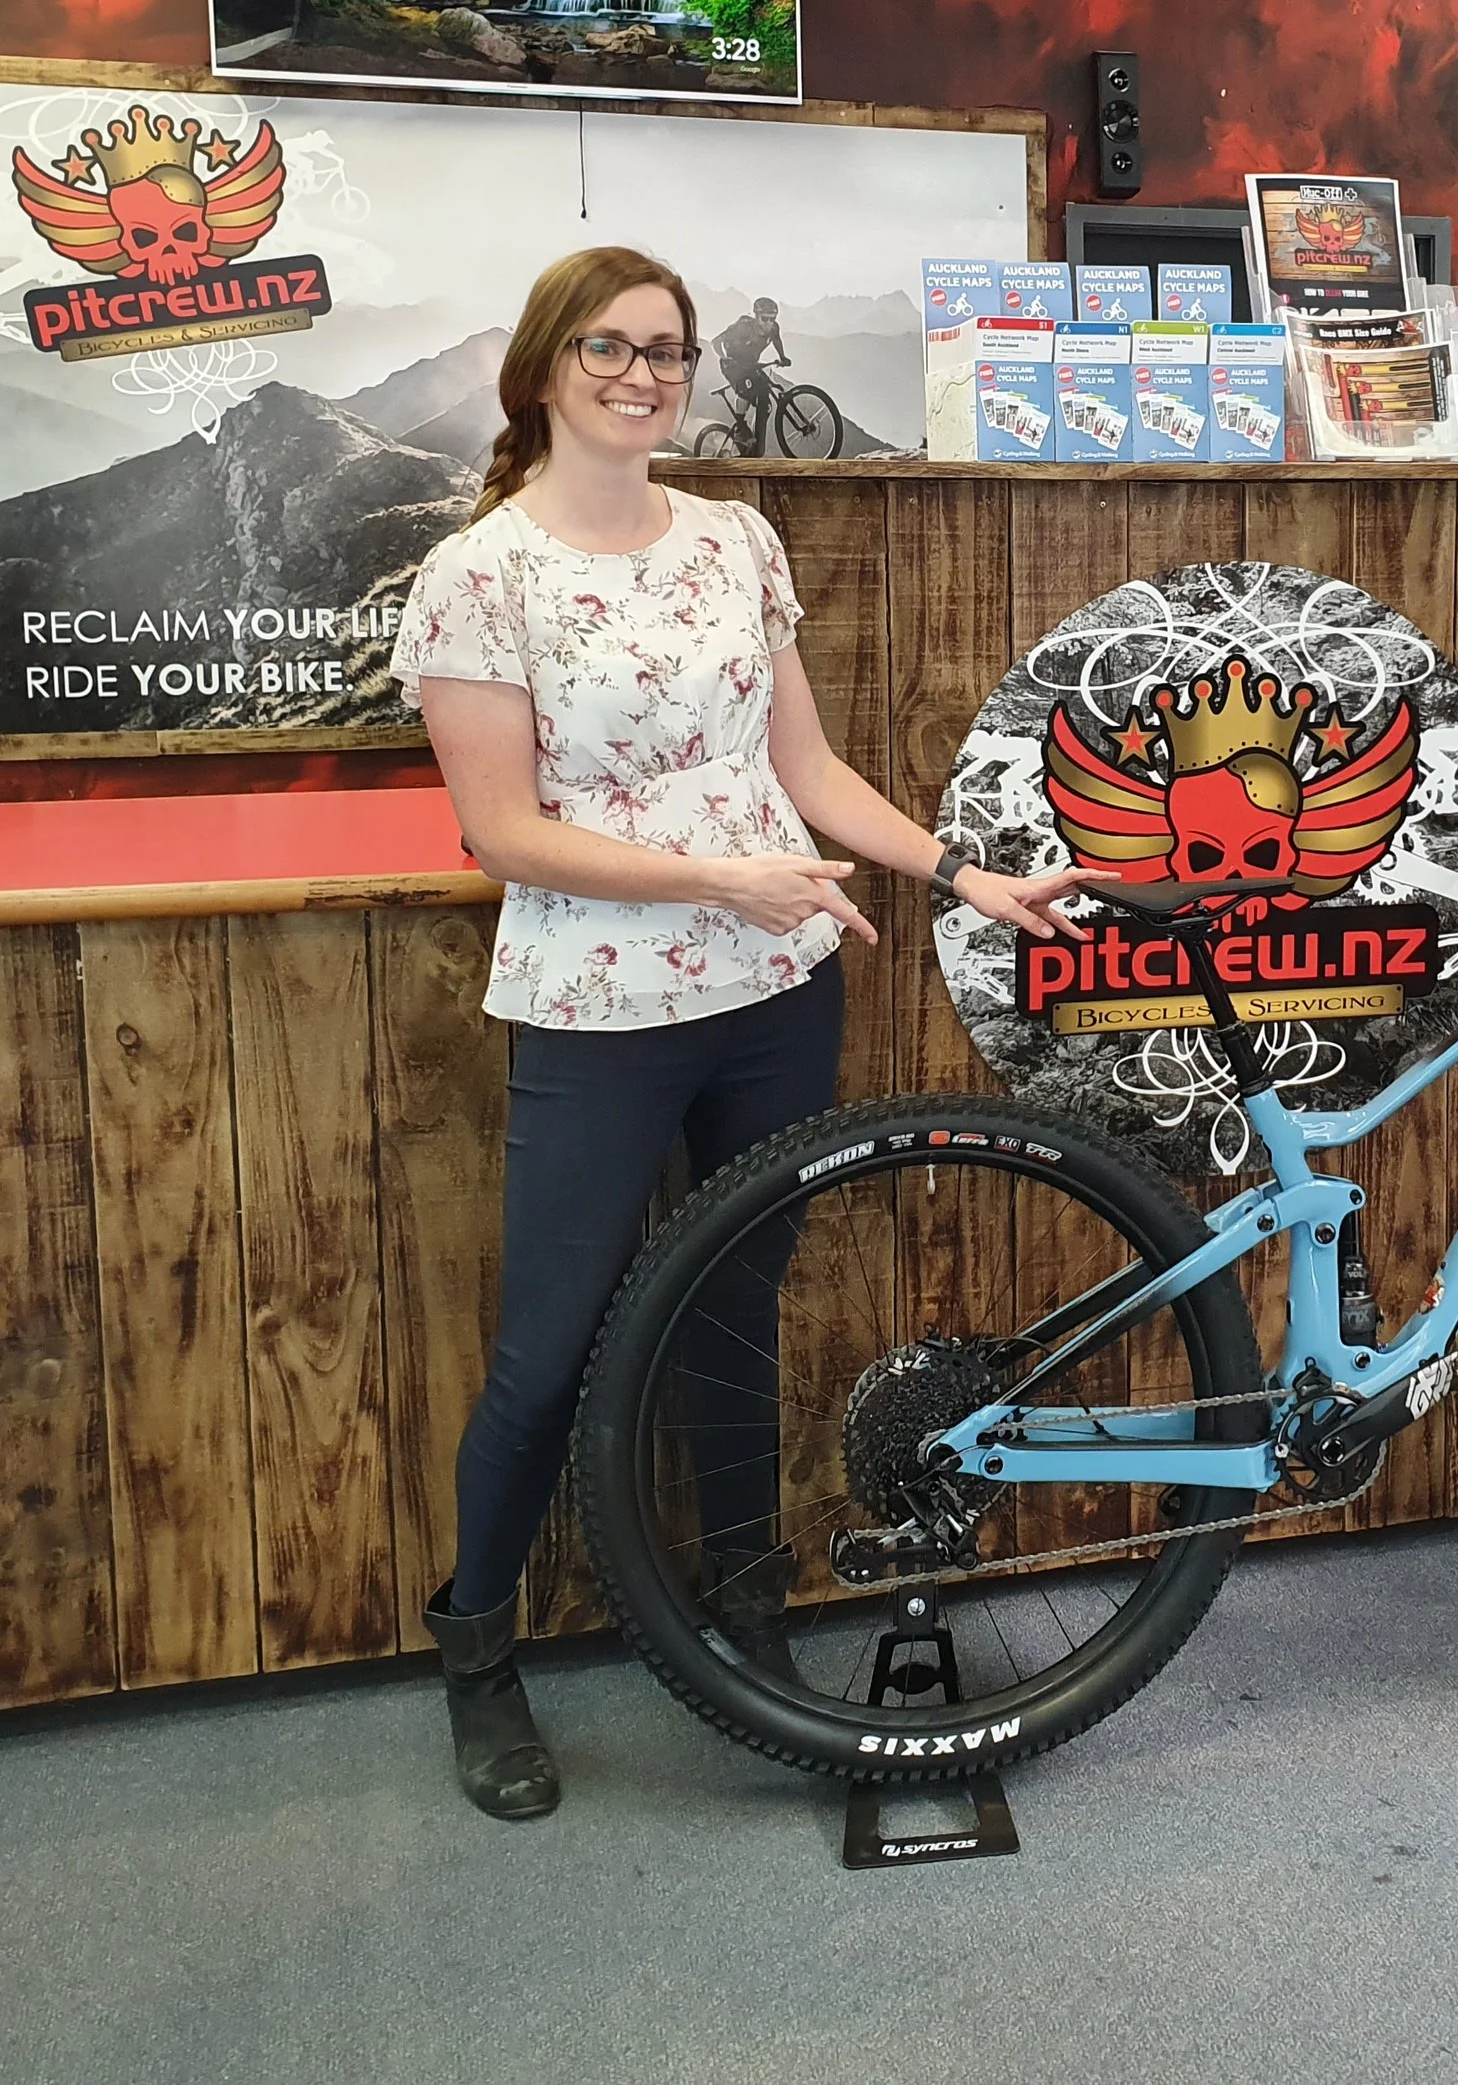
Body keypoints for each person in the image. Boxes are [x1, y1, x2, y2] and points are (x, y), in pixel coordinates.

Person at [391, 245, 1086, 1821]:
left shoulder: (736, 540)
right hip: (596, 1010)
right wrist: (720, 871)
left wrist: (967, 873)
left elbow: (813, 772)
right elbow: (502, 833)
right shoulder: (481, 574)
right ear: (546, 367)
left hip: (775, 999)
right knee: (547, 1354)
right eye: (610, 348)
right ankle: (477, 1652)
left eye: (667, 350)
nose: (643, 375)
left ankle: (744, 1616)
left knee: (734, 1322)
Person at [713, 294, 788, 434]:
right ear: (756, 316)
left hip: (750, 365)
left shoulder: (773, 328)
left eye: (772, 319)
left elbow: (777, 340)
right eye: (764, 318)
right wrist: (725, 357)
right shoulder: (743, 327)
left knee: (765, 405)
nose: (769, 323)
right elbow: (716, 342)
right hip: (732, 366)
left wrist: (782, 357)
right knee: (744, 390)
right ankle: (740, 427)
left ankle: (754, 437)